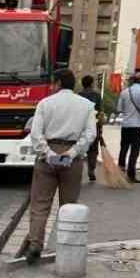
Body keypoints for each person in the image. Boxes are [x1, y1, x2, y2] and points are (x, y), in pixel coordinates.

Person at [23, 70, 96, 265]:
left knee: (40, 205)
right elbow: (90, 134)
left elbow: (36, 134)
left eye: (54, 83)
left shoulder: (45, 104)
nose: (52, 86)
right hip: (73, 157)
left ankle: (35, 245)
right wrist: (71, 154)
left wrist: (49, 154)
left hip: (48, 155)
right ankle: (66, 249)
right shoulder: (87, 106)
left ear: (58, 83)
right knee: (69, 207)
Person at [116, 71, 140, 183]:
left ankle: (119, 173)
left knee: (123, 149)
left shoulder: (124, 92)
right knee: (134, 151)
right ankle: (131, 174)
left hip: (125, 125)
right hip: (137, 126)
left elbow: (119, 108)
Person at [79, 74, 103, 182]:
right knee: (93, 150)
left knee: (79, 148)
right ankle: (91, 170)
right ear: (92, 83)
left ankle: (77, 171)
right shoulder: (97, 96)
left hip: (80, 126)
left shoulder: (78, 95)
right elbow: (100, 113)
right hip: (93, 125)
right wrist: (100, 127)